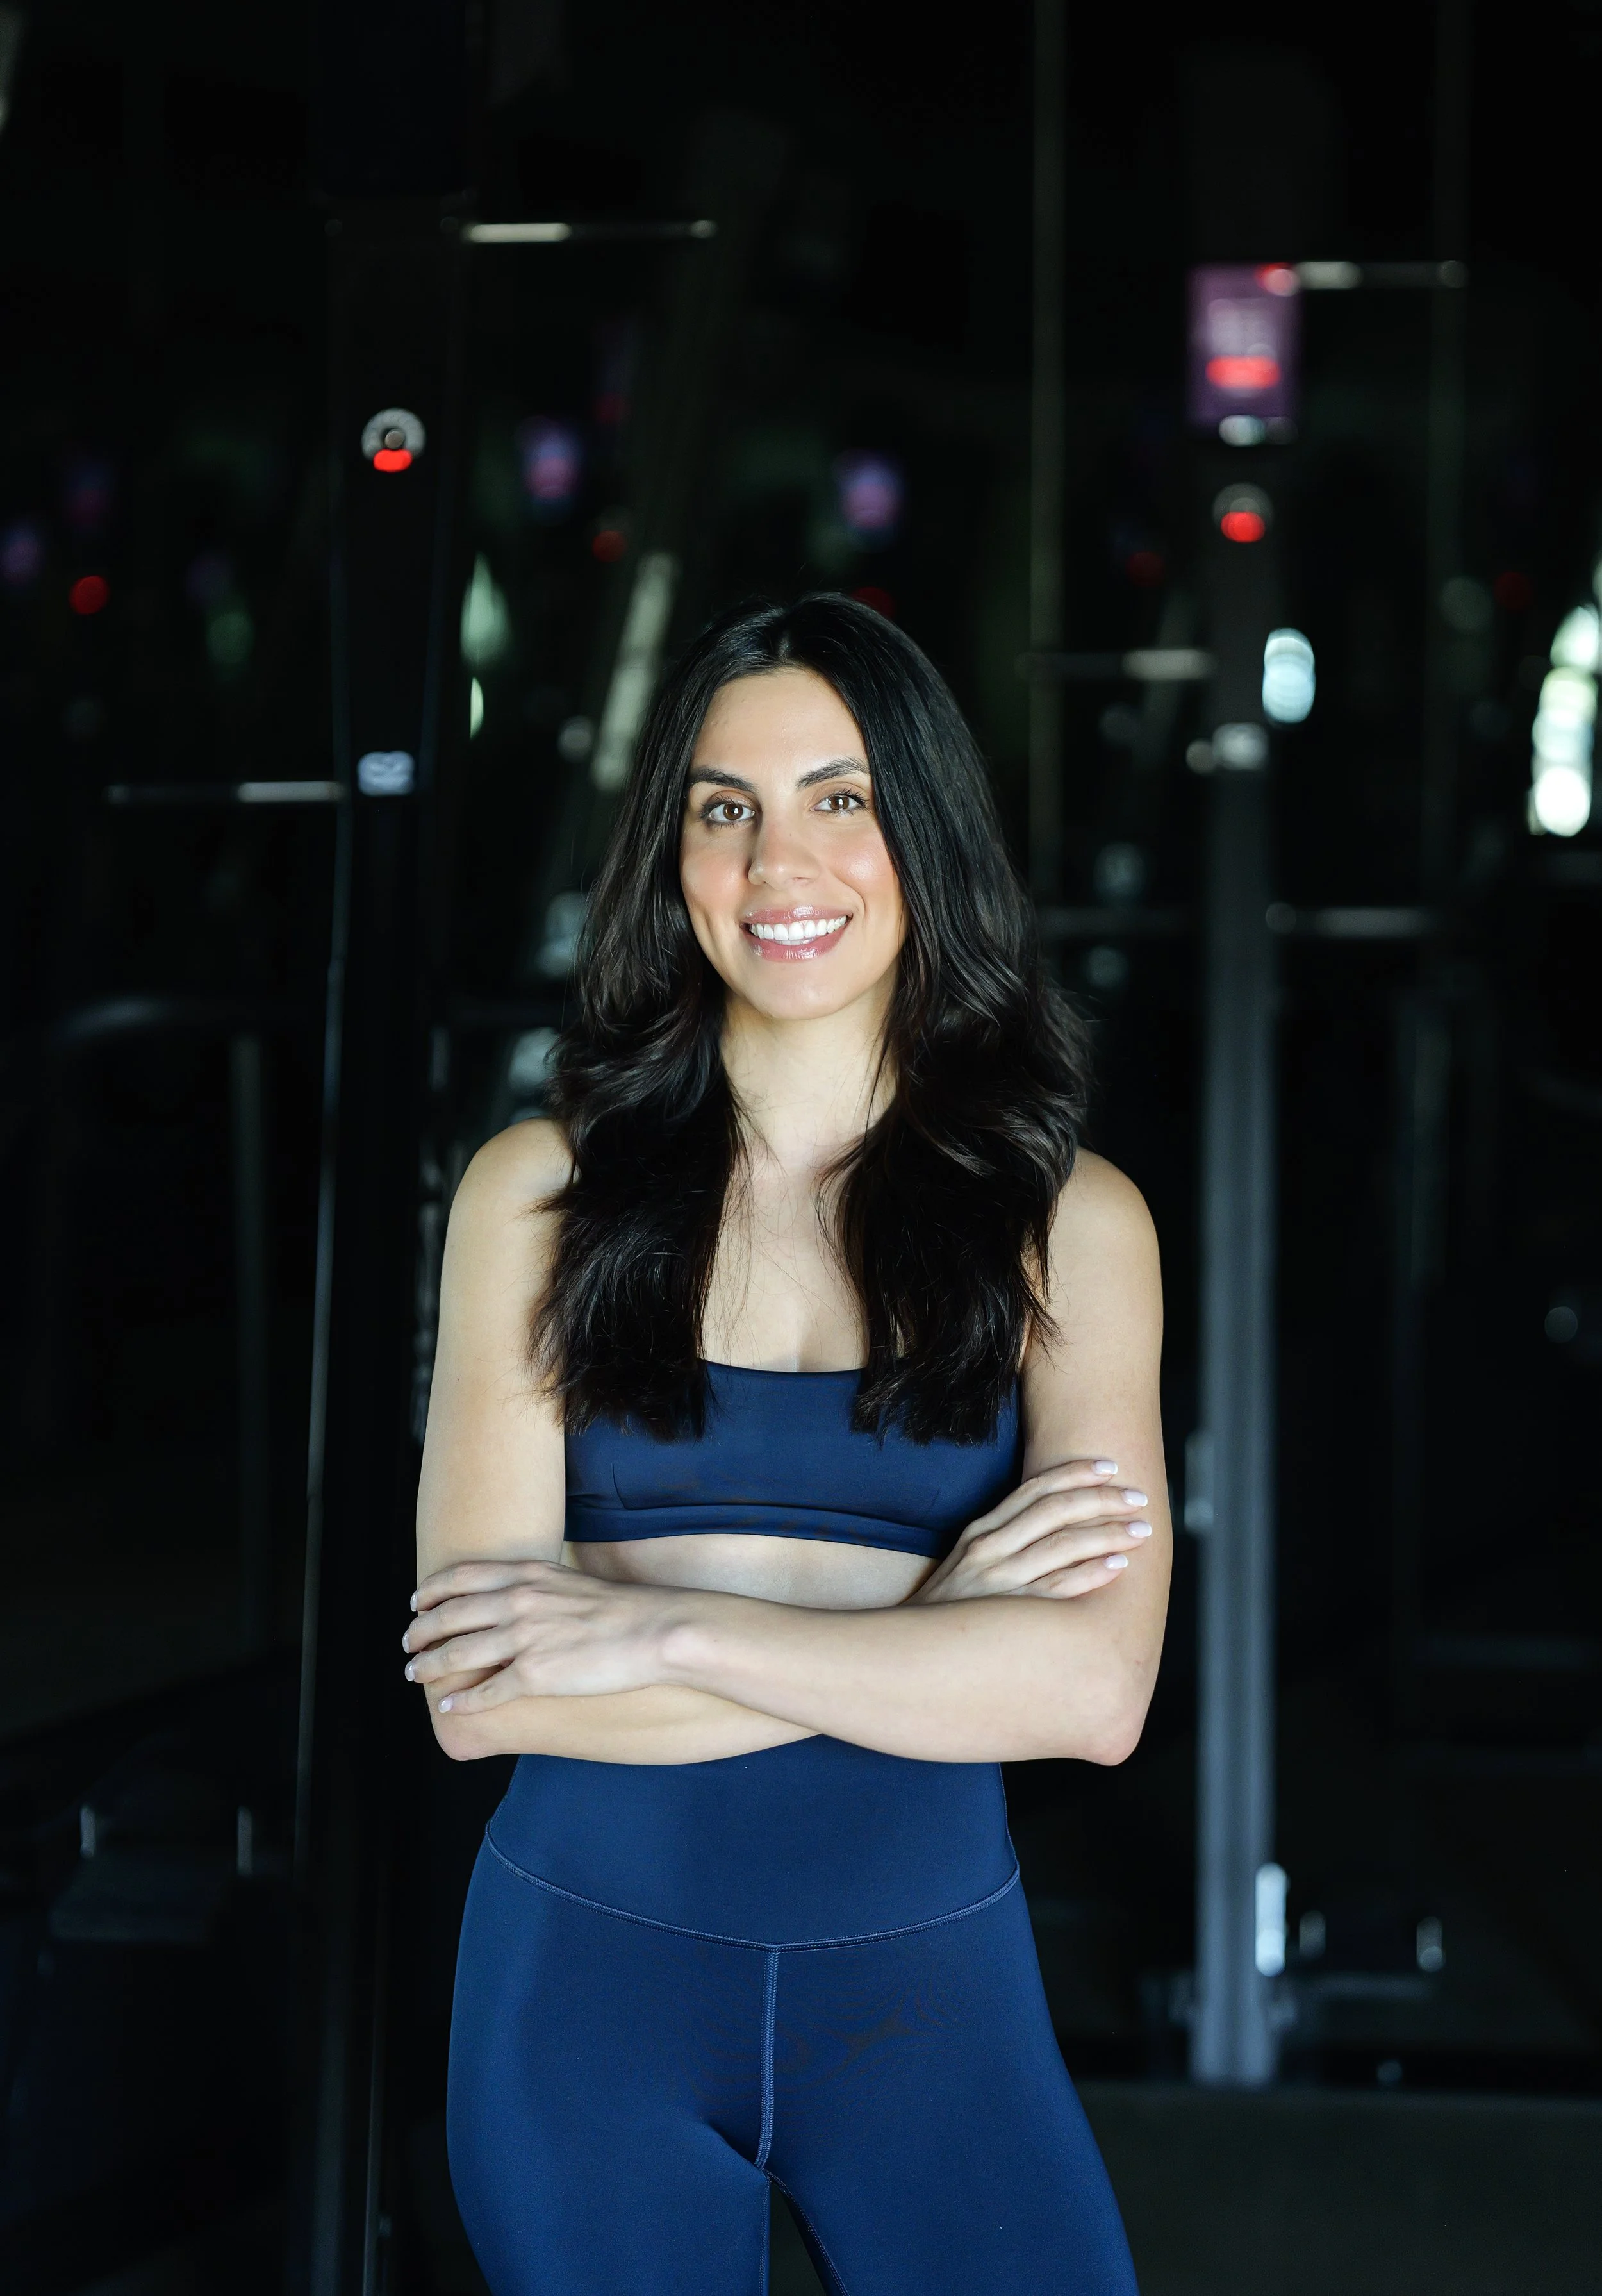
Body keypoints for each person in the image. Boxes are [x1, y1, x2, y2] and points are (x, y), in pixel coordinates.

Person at [403, 593, 1169, 2296]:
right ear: (669, 853)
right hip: (580, 1999)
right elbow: (484, 1692)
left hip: (931, 2007)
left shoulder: (1071, 1226)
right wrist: (933, 1629)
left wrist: (654, 1623)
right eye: (724, 808)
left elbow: (1091, 1697)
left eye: (841, 799)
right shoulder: (535, 1197)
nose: (779, 865)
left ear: (926, 832)